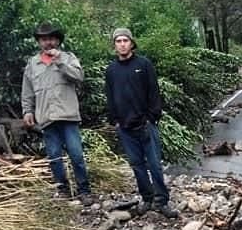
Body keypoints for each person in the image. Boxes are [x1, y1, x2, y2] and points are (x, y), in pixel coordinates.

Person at [105, 28, 178, 218]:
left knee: (154, 164)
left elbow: (154, 92)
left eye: (125, 41)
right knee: (137, 165)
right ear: (114, 45)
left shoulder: (143, 64)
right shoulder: (111, 70)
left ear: (132, 43)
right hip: (125, 127)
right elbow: (110, 96)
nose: (122, 44)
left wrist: (152, 116)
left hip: (146, 124)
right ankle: (147, 199)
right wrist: (115, 121)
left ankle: (162, 201)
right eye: (118, 41)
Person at [21, 22, 92, 203]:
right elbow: (27, 91)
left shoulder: (68, 58)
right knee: (54, 157)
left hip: (68, 116)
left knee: (76, 154)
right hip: (46, 118)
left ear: (58, 41)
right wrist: (27, 111)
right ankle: (63, 189)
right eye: (44, 40)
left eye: (51, 39)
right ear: (39, 42)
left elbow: (79, 77)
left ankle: (84, 191)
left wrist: (59, 61)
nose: (48, 43)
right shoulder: (32, 64)